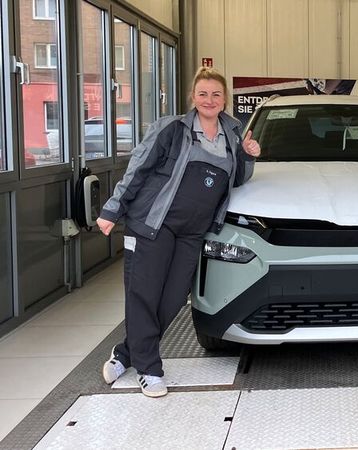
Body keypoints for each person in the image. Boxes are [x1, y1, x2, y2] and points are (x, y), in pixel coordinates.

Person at [95, 67, 261, 398]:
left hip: (193, 231)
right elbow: (138, 169)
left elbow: (237, 179)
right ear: (193, 97)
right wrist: (112, 210)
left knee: (172, 300)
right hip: (153, 223)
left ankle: (126, 354)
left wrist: (248, 155)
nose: (209, 100)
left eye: (216, 94)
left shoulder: (233, 133)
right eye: (203, 94)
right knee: (144, 294)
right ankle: (149, 369)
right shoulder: (172, 128)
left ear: (224, 99)